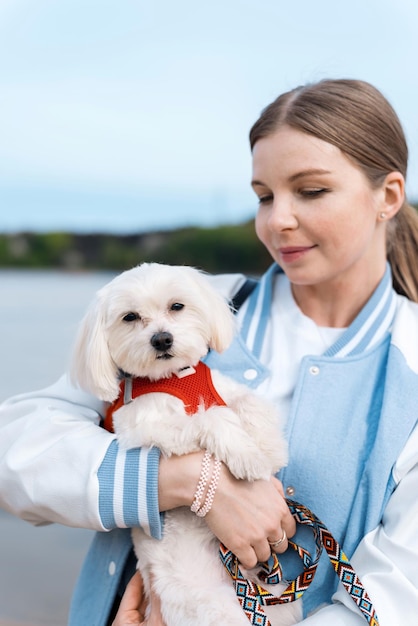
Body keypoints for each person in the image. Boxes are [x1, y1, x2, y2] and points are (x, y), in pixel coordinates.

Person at [1, 77, 418, 626]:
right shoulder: (192, 305)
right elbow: (17, 448)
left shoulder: (407, 368)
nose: (277, 220)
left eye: (311, 191)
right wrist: (184, 481)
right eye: (264, 196)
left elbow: (398, 590)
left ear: (388, 196)